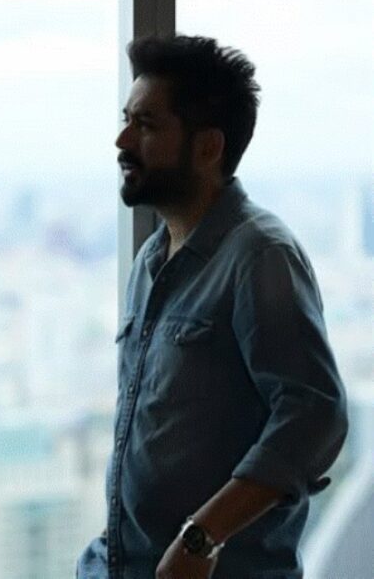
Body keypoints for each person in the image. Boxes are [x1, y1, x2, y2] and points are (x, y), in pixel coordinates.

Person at [77, 35, 348, 579]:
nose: (122, 140)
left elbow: (315, 415)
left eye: (146, 125)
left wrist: (201, 537)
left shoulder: (260, 255)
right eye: (127, 120)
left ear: (207, 147)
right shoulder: (152, 260)